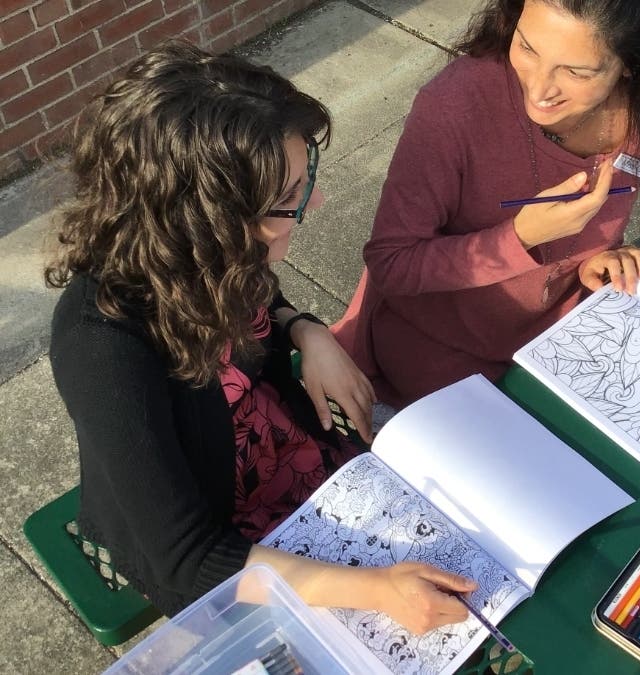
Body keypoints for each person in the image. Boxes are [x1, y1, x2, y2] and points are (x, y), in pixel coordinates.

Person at [45, 41, 474, 633]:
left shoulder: (218, 253)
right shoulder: (100, 346)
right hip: (226, 552)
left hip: (286, 454)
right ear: (206, 220)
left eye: (305, 179)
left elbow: (259, 296)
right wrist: (374, 591)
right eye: (289, 198)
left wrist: (305, 329)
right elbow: (188, 562)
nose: (314, 202)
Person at [333, 0, 640, 408]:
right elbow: (392, 264)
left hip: (564, 341)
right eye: (527, 47)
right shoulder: (455, 105)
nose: (538, 90)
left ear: (631, 64)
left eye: (576, 71)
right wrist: (520, 237)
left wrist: (598, 261)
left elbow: (590, 237)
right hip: (443, 355)